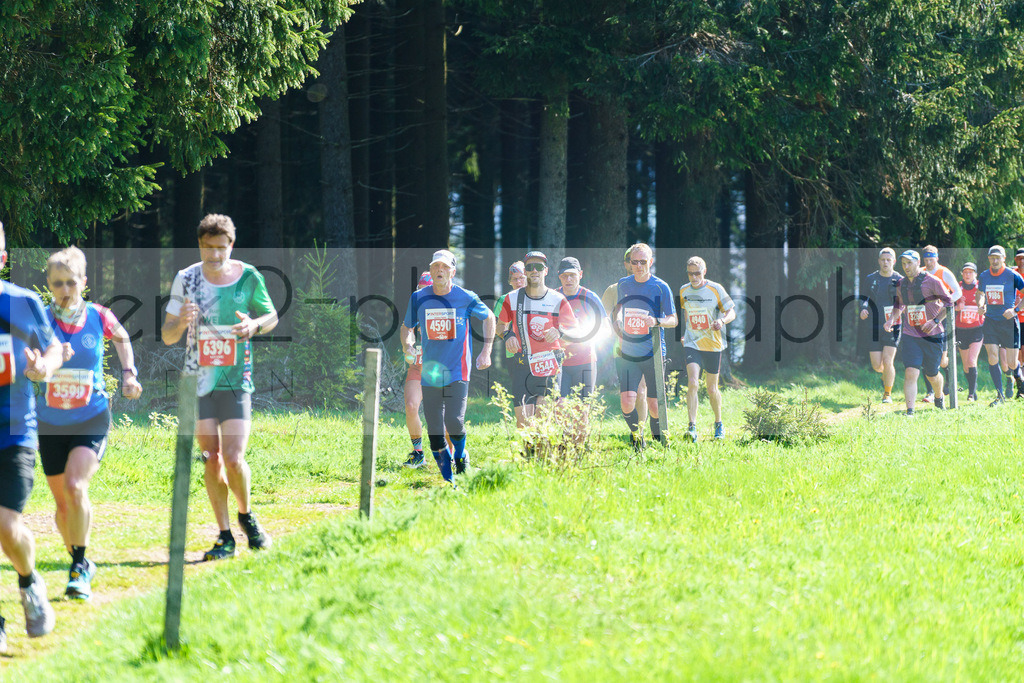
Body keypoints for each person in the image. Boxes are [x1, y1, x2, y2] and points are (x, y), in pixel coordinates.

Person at [162, 214, 279, 561]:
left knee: (233, 457)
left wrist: (254, 325)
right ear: (199, 246)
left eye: (221, 247)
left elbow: (272, 316)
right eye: (207, 248)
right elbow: (168, 335)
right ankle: (225, 534)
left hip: (237, 379)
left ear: (232, 245)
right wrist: (181, 322)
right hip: (198, 382)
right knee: (212, 459)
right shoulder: (187, 279)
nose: (214, 255)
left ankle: (246, 515)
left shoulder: (248, 276)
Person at [37, 247, 143, 600]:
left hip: (91, 415)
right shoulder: (40, 319)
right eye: (57, 283)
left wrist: (129, 374)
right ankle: (80, 560)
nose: (65, 289)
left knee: (75, 486)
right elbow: (27, 359)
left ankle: (78, 568)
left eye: (71, 282)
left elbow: (123, 337)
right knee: (61, 508)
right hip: (49, 421)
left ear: (83, 282)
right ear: (49, 285)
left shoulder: (99, 315)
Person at [0, 221, 62, 648]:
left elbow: (55, 347)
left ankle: (29, 580)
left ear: (2, 258)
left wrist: (44, 367)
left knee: (5, 524)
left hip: (14, 432)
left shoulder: (22, 303)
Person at [401, 249, 494, 482]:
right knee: (435, 433)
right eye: (435, 267)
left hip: (457, 370)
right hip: (430, 372)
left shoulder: (466, 296)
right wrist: (408, 346)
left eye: (444, 267)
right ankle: (449, 479)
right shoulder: (419, 297)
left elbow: (489, 318)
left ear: (453, 271)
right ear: (431, 271)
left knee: (453, 421)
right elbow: (407, 327)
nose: (439, 270)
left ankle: (461, 457)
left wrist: (486, 351)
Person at [611, 243, 677, 450]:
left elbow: (673, 319)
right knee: (627, 402)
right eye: (634, 262)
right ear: (629, 264)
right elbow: (619, 309)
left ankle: (659, 442)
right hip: (628, 353)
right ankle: (636, 438)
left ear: (651, 261)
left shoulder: (660, 287)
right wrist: (618, 320)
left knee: (655, 405)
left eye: (643, 261)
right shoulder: (623, 284)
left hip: (653, 352)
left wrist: (657, 321)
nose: (639, 266)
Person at [497, 252, 577, 423]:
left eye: (539, 267)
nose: (534, 271)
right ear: (525, 271)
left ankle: (544, 449)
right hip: (522, 364)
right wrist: (508, 335)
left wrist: (560, 332)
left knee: (543, 418)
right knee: (523, 422)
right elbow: (500, 326)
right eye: (529, 267)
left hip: (549, 362)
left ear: (546, 271)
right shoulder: (511, 298)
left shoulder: (557, 299)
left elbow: (574, 330)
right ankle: (529, 451)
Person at [884, 250, 954, 414]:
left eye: (909, 263)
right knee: (911, 371)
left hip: (933, 334)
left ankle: (938, 397)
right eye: (903, 264)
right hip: (910, 335)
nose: (906, 267)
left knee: (932, 373)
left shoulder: (932, 281)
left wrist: (935, 321)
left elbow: (949, 303)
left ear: (917, 263)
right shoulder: (901, 283)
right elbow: (899, 304)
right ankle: (910, 411)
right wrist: (891, 319)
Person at [679, 256, 736, 441]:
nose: (693, 277)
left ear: (704, 271)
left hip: (712, 344)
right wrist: (686, 334)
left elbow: (731, 312)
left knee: (712, 389)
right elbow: (687, 313)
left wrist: (721, 320)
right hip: (692, 343)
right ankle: (692, 427)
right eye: (690, 273)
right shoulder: (683, 290)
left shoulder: (715, 288)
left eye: (697, 273)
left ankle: (718, 424)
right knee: (693, 382)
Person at [601, 248, 648, 428]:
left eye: (640, 261)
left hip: (645, 348)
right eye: (631, 260)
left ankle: (639, 434)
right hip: (621, 349)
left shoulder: (651, 286)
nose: (635, 264)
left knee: (642, 391)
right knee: (628, 395)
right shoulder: (613, 289)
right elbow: (604, 318)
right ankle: (634, 427)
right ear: (626, 263)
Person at [976, 245, 1024, 406]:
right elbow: (980, 294)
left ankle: (1019, 379)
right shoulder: (984, 276)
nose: (995, 261)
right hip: (990, 320)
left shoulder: (1013, 275)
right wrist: (981, 305)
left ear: (1004, 258)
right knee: (992, 356)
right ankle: (999, 395)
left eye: (998, 258)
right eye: (992, 258)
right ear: (989, 259)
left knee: (1011, 362)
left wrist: (1015, 310)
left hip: (1008, 322)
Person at [556, 256, 607, 400]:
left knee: (582, 409)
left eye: (572, 275)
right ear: (559, 277)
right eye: (564, 276)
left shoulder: (590, 297)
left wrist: (588, 336)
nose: (568, 279)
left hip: (585, 360)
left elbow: (606, 328)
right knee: (559, 408)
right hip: (559, 361)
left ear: (580, 274)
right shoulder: (553, 297)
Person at [859, 247, 903, 403]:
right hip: (874, 325)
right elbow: (864, 298)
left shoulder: (900, 280)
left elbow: (903, 303)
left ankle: (887, 394)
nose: (885, 262)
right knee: (877, 366)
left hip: (893, 325)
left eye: (888, 260)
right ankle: (887, 376)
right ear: (879, 261)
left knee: (887, 360)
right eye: (883, 260)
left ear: (894, 262)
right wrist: (863, 308)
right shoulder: (870, 279)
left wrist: (893, 318)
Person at [920, 245, 963, 402]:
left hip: (942, 318)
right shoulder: (921, 271)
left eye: (931, 259)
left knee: (942, 360)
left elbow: (958, 292)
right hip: (925, 318)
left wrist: (946, 302)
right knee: (926, 357)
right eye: (926, 260)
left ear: (937, 258)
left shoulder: (944, 272)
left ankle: (949, 381)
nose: (929, 263)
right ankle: (930, 392)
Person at [403, 271, 436, 468]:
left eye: (428, 291)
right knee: (411, 406)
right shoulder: (416, 306)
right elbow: (406, 329)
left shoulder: (448, 306)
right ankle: (418, 453)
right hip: (418, 366)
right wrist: (408, 346)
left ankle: (451, 455)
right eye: (421, 291)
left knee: (444, 416)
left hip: (440, 369)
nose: (425, 295)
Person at [494, 261, 528, 427]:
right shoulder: (504, 299)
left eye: (522, 278)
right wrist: (508, 336)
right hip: (514, 354)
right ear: (509, 281)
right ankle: (522, 426)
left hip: (537, 353)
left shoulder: (537, 297)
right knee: (520, 391)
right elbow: (498, 327)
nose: (518, 282)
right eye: (514, 279)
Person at [954, 262, 986, 402]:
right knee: (966, 365)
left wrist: (983, 308)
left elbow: (986, 301)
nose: (968, 275)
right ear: (962, 274)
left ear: (975, 274)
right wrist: (956, 307)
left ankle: (971, 394)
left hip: (977, 329)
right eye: (965, 272)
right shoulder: (957, 287)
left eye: (971, 272)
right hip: (961, 330)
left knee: (972, 361)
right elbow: (948, 304)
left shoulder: (980, 287)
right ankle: (972, 388)